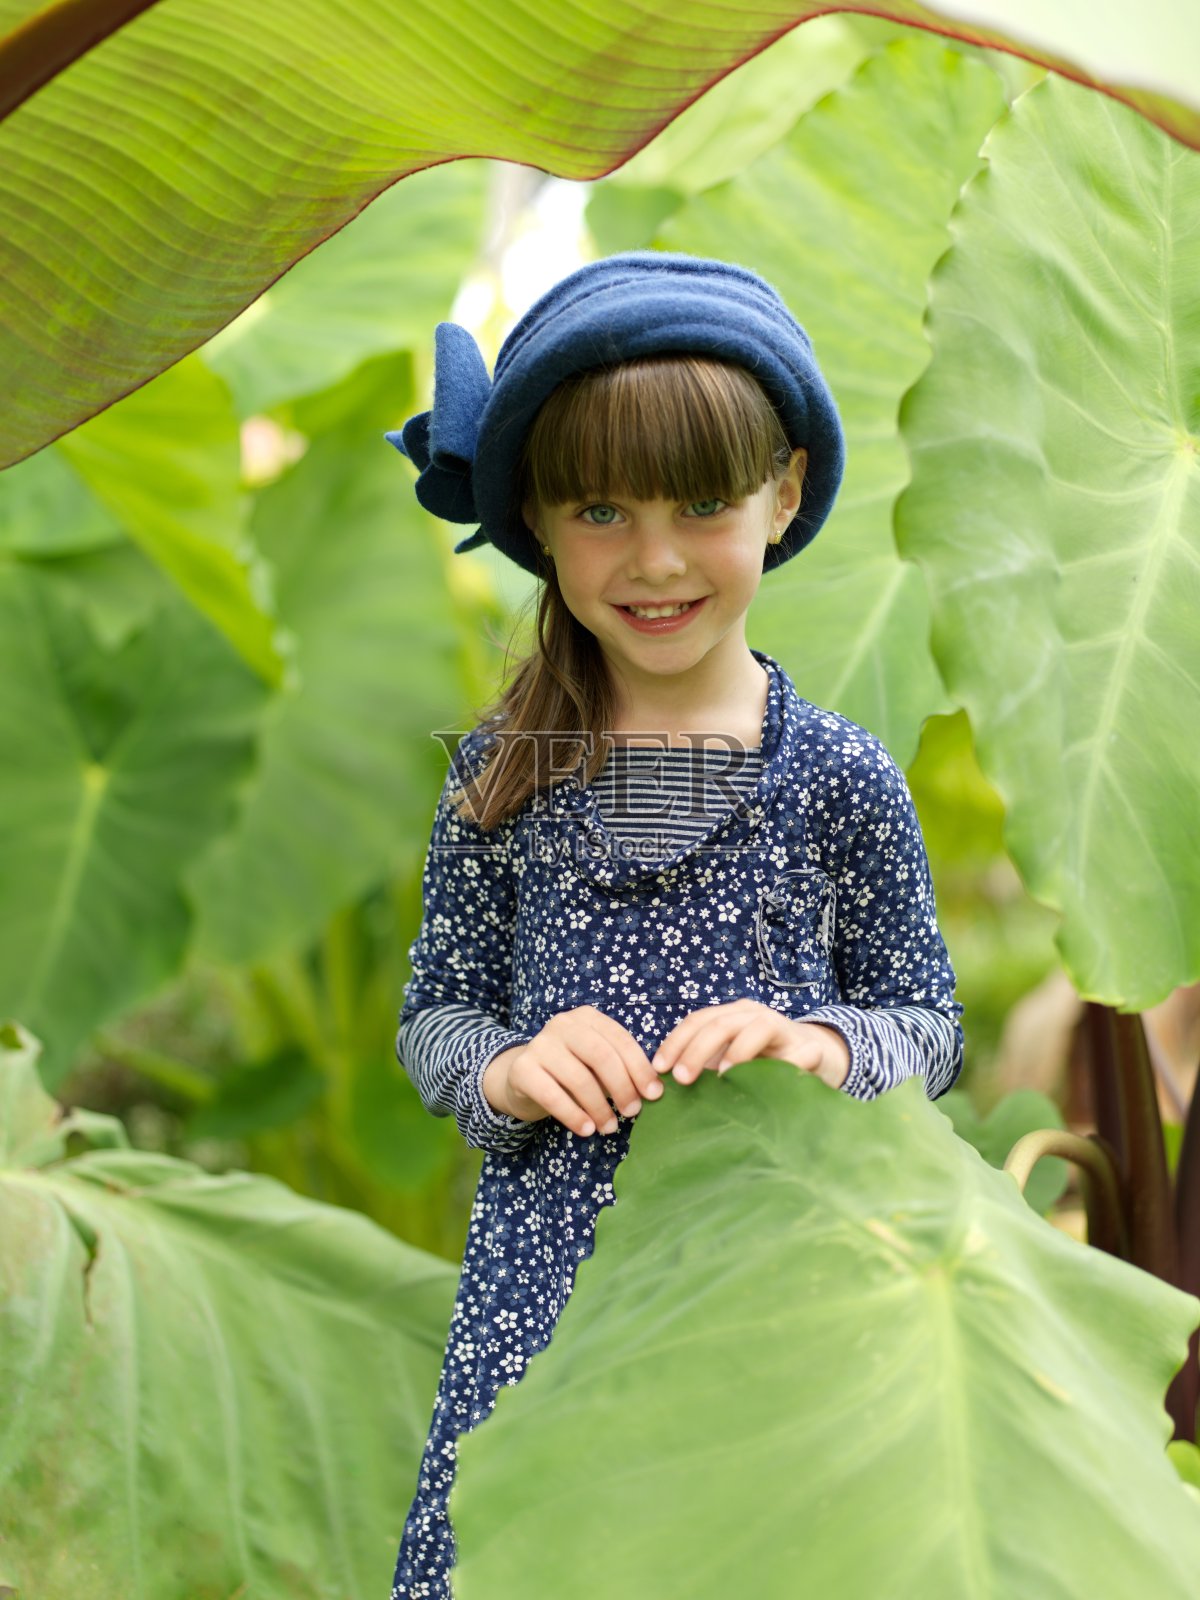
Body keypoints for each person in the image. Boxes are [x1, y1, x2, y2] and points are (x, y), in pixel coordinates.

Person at [383, 252, 963, 1599]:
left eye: (703, 503)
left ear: (785, 493)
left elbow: (926, 1028)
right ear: (533, 514)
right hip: (545, 1315)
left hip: (777, 1292)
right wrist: (509, 1070)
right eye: (600, 509)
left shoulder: (839, 779)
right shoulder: (502, 779)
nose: (654, 559)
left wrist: (823, 1044)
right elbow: (436, 1018)